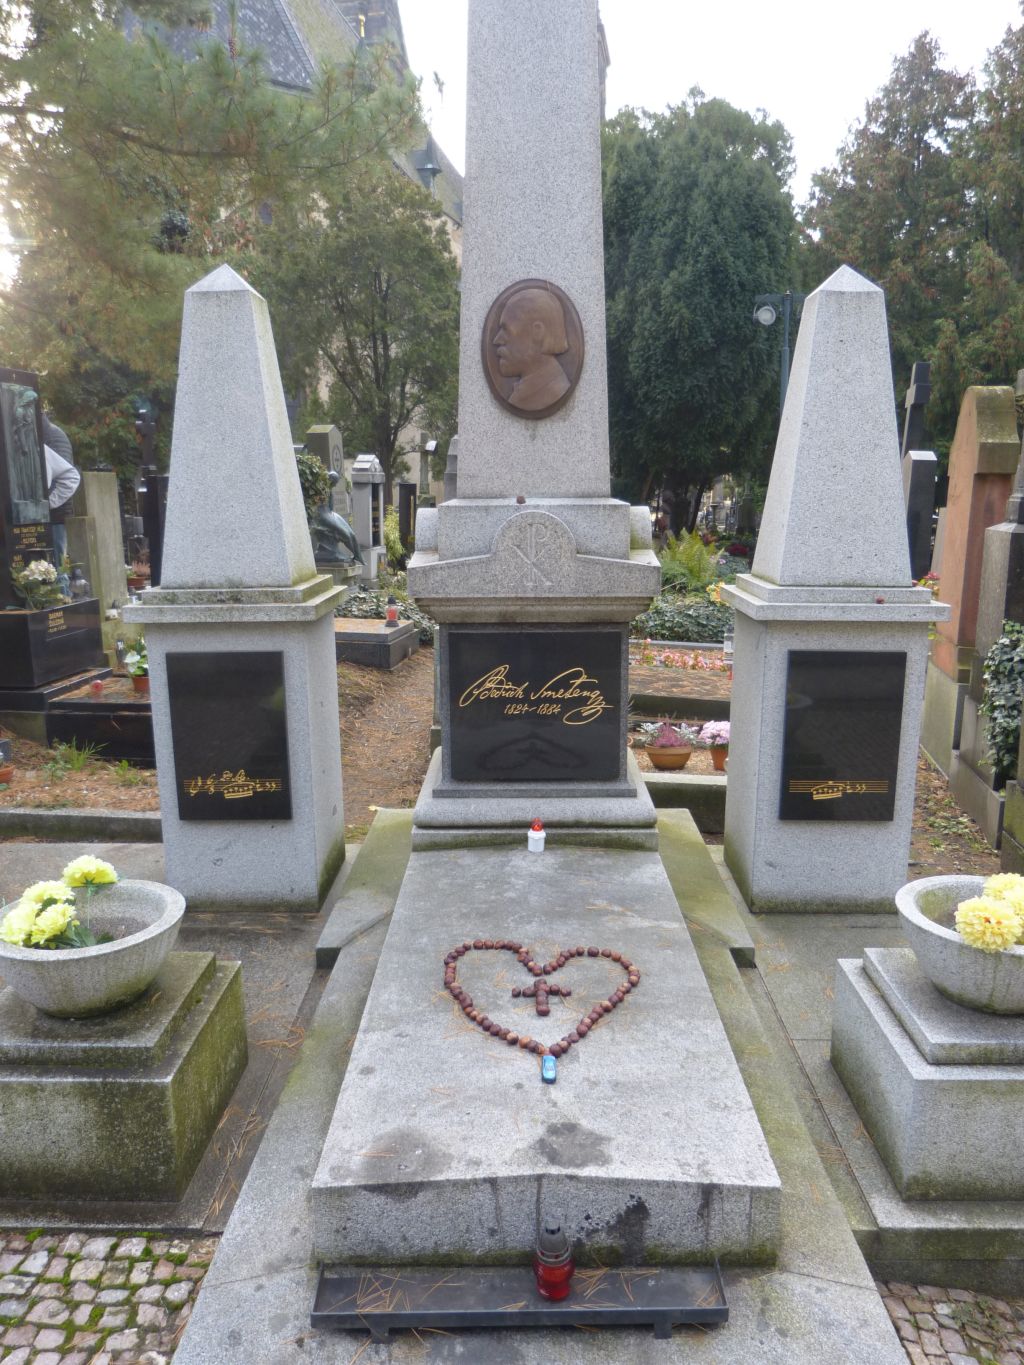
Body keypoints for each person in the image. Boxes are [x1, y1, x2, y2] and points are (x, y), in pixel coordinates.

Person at [492, 287, 571, 412]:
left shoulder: (556, 390)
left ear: (537, 331)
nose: (496, 340)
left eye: (506, 330)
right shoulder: (526, 391)